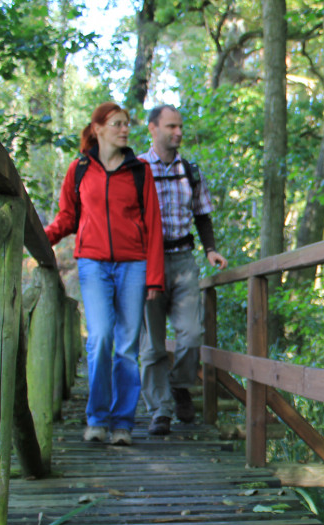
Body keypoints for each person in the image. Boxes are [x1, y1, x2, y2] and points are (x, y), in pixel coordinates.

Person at [45, 102, 164, 446]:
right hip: (93, 264)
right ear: (97, 128)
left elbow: (153, 228)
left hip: (133, 265)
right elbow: (67, 218)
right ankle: (97, 418)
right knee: (99, 339)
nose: (125, 129)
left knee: (127, 347)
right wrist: (40, 238)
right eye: (117, 124)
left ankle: (123, 423)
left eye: (127, 124)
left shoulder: (140, 171)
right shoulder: (79, 169)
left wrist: (155, 277)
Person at [139, 104, 228, 435]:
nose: (178, 132)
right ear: (153, 129)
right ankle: (159, 410)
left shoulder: (191, 171)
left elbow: (202, 214)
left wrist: (211, 250)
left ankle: (178, 386)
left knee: (191, 336)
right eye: (171, 126)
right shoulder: (136, 169)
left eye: (180, 127)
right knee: (152, 345)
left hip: (182, 259)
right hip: (147, 263)